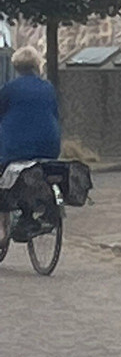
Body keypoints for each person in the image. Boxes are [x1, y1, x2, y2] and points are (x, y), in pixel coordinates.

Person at [0, 46, 61, 237]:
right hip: (49, 146)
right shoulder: (48, 88)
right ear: (36, 65)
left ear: (16, 66)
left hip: (16, 149)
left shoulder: (9, 89)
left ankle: (2, 229)